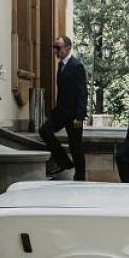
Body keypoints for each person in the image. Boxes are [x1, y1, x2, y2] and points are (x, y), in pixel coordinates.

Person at [40, 35, 87, 180]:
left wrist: (80, 116)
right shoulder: (61, 65)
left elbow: (82, 92)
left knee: (76, 147)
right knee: (44, 130)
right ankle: (65, 162)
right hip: (61, 112)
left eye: (58, 47)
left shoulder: (76, 65)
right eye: (54, 47)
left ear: (67, 48)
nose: (55, 50)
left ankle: (80, 177)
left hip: (73, 114)